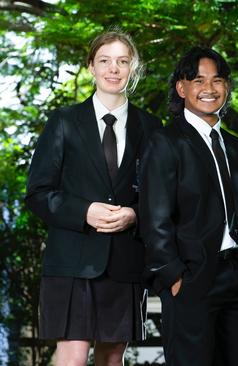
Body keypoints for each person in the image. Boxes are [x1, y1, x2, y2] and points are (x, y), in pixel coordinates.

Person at [25, 30, 161, 366]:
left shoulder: (152, 127)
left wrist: (135, 214)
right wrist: (84, 211)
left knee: (113, 358)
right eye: (104, 60)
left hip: (125, 261)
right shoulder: (63, 122)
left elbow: (162, 196)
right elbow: (38, 193)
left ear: (133, 68)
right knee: (71, 357)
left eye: (122, 61)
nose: (113, 69)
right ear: (91, 67)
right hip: (72, 260)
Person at [138, 46, 238, 366]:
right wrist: (174, 277)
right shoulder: (165, 142)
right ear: (182, 88)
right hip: (193, 278)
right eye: (198, 80)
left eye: (218, 80)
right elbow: (154, 219)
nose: (209, 89)